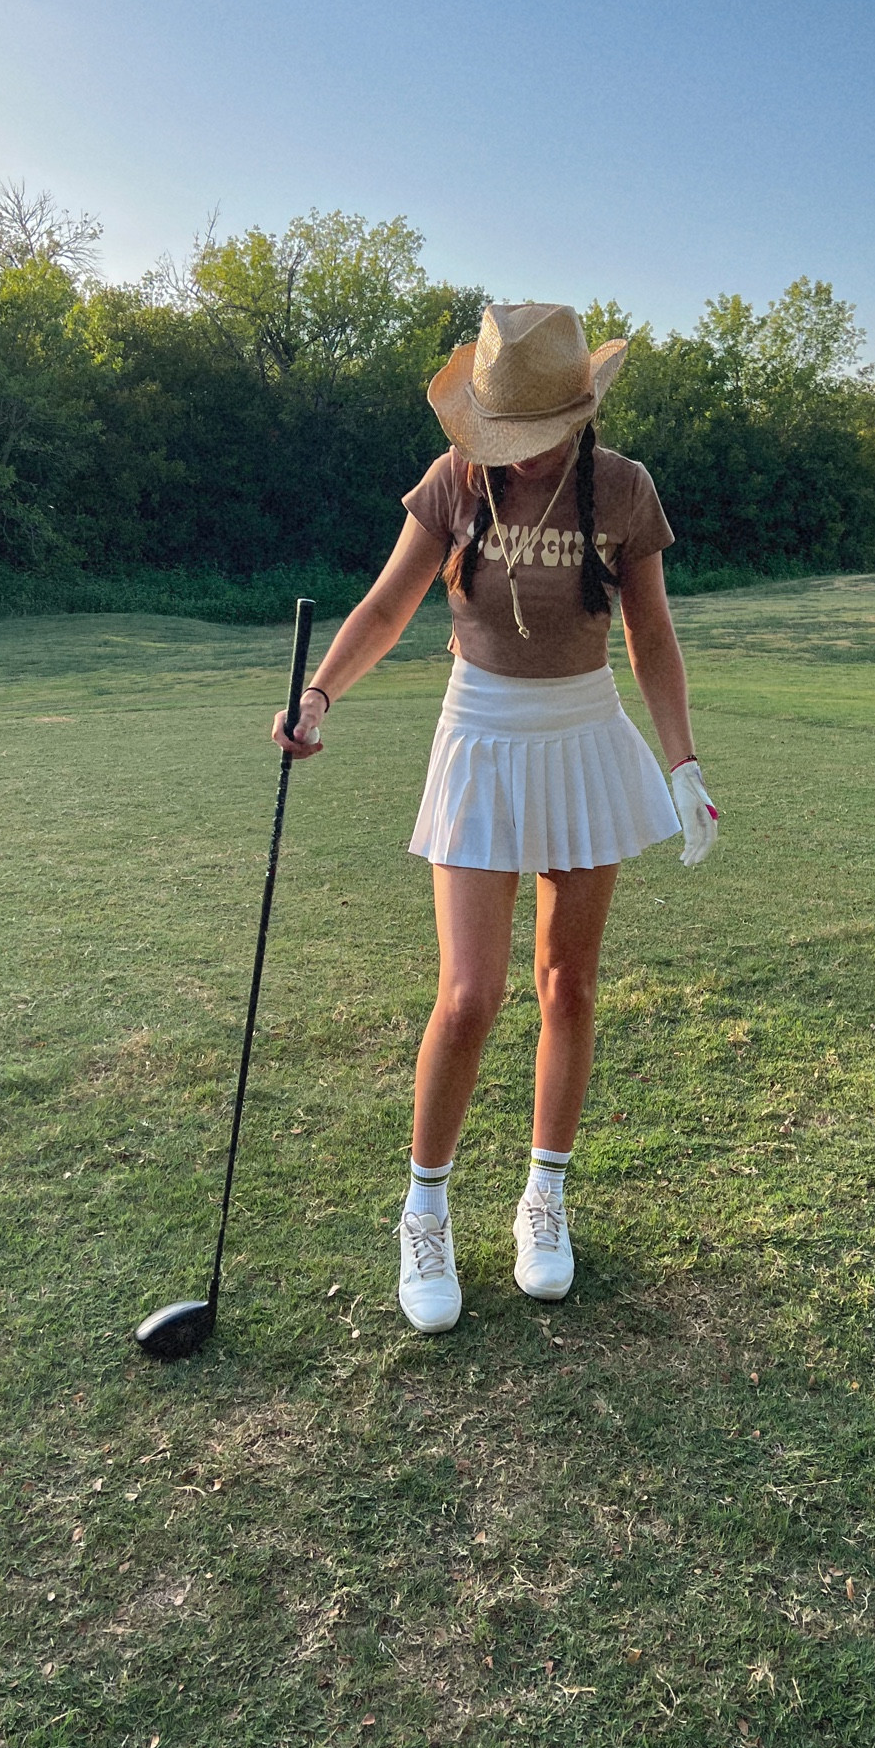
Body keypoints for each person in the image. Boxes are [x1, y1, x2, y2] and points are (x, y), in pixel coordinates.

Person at [273, 302, 718, 1334]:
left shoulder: (623, 489)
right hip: (477, 734)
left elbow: (652, 632)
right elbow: (388, 604)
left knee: (568, 982)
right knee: (470, 993)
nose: (511, 454)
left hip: (583, 733)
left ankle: (544, 1196)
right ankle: (423, 1208)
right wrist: (319, 696)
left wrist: (682, 758)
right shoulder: (454, 483)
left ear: (576, 410)